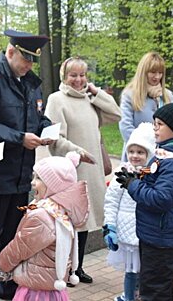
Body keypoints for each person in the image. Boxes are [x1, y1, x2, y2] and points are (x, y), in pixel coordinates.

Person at [0, 29, 53, 300]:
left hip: (20, 176)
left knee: (13, 236)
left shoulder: (30, 83)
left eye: (32, 61)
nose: (28, 65)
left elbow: (36, 117)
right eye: (25, 59)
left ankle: (6, 285)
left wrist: (47, 128)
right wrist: (19, 138)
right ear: (10, 52)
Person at [44, 56, 121, 284]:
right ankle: (64, 268)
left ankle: (78, 267)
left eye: (82, 75)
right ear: (64, 77)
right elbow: (54, 137)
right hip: (73, 169)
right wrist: (77, 152)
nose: (78, 80)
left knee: (85, 221)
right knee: (69, 222)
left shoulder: (89, 99)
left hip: (92, 170)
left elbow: (115, 114)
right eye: (73, 75)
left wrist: (97, 93)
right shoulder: (56, 100)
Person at [116, 102, 173, 301]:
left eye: (159, 124)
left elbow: (160, 199)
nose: (154, 127)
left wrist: (132, 185)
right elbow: (154, 174)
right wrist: (137, 176)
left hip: (161, 238)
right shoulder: (166, 154)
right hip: (155, 234)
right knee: (157, 286)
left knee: (155, 290)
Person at [0, 152, 89, 301]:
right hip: (50, 283)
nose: (32, 182)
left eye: (39, 178)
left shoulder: (42, 216)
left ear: (53, 185)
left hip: (36, 290)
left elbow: (20, 247)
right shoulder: (61, 210)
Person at [103, 122, 155, 301]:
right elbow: (111, 201)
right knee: (132, 270)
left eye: (140, 152)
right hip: (127, 231)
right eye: (131, 151)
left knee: (146, 270)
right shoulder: (122, 172)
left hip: (147, 230)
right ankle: (130, 296)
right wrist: (110, 226)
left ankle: (142, 295)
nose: (135, 156)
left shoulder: (153, 174)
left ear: (149, 153)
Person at [119, 52, 173, 161]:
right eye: (153, 72)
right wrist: (144, 147)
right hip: (137, 155)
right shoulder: (129, 94)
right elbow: (125, 126)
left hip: (162, 154)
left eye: (160, 73)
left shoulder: (167, 96)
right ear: (144, 72)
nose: (157, 77)